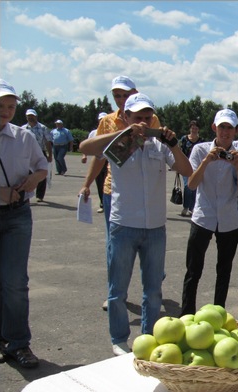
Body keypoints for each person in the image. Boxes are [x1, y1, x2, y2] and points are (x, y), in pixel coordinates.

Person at [79, 93, 192, 355]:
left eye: (147, 117)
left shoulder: (159, 146)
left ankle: (148, 336)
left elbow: (186, 171)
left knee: (153, 290)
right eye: (137, 117)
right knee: (117, 289)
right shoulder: (120, 142)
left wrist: (173, 144)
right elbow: (86, 147)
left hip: (155, 227)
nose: (143, 121)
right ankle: (119, 338)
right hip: (123, 224)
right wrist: (126, 133)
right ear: (126, 117)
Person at [79, 75, 161, 311]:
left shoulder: (150, 118)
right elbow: (98, 154)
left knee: (148, 241)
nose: (121, 99)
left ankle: (154, 275)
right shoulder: (107, 121)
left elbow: (156, 151)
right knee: (114, 246)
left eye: (125, 95)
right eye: (117, 95)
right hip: (112, 188)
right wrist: (87, 183)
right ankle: (116, 292)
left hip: (142, 189)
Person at [180, 109, 238, 315]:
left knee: (224, 271)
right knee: (193, 270)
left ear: (236, 131)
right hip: (203, 216)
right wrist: (206, 161)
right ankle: (186, 314)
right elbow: (192, 185)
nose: (225, 132)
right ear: (214, 128)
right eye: (222, 127)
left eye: (230, 127)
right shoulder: (200, 150)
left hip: (229, 219)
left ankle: (218, 313)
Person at [0, 79, 48, 368]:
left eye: (10, 106)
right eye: (1, 106)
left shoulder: (23, 137)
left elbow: (43, 166)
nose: (6, 111)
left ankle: (18, 342)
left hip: (17, 214)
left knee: (15, 282)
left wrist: (32, 179)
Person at [21, 109, 52, 202]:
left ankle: (40, 195)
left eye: (32, 116)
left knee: (41, 173)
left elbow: (48, 142)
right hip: (26, 153)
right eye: (29, 116)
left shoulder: (43, 128)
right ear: (26, 117)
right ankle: (25, 195)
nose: (30, 117)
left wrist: (50, 154)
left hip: (39, 152)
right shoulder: (22, 128)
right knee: (25, 174)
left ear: (36, 117)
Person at [81, 112, 108, 213]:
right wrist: (84, 155)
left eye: (104, 119)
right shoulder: (94, 133)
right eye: (101, 120)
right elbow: (87, 146)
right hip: (99, 159)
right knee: (100, 182)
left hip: (109, 160)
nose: (102, 121)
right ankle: (102, 203)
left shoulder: (111, 130)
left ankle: (106, 202)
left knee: (108, 182)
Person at [178, 120, 204, 217]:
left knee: (194, 187)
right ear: (190, 128)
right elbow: (180, 152)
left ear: (198, 129)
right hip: (185, 166)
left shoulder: (201, 141)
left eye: (196, 128)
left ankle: (192, 208)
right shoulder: (184, 139)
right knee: (187, 186)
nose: (194, 130)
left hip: (197, 167)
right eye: (193, 128)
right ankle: (185, 207)